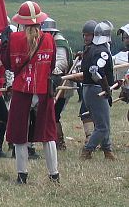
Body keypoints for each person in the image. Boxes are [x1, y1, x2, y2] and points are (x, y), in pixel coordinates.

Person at [0, 1, 59, 184]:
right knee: (48, 134)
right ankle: (54, 175)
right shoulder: (49, 39)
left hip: (21, 90)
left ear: (22, 22)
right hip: (43, 91)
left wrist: (4, 44)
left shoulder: (15, 39)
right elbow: (52, 64)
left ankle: (22, 175)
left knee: (20, 134)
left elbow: (8, 66)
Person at [76, 21, 117, 160]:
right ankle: (87, 151)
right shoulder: (102, 51)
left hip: (89, 89)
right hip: (96, 90)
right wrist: (107, 89)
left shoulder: (90, 49)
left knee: (104, 122)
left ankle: (107, 150)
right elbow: (97, 71)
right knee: (102, 126)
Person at [41, 18, 73, 150]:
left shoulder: (59, 43)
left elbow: (61, 63)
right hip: (54, 82)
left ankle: (58, 142)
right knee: (52, 114)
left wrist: (48, 71)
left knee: (54, 113)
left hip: (61, 83)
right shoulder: (53, 41)